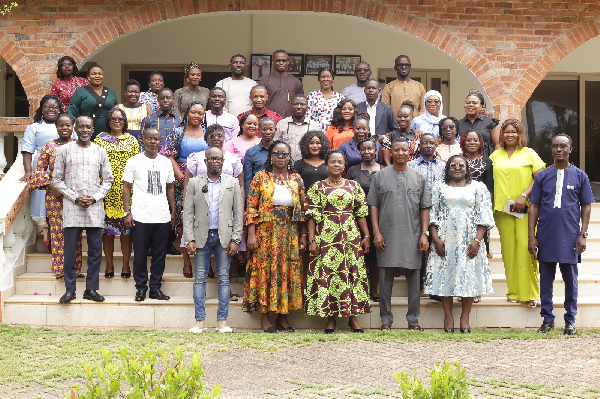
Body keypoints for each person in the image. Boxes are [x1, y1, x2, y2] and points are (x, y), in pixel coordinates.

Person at [529, 134, 594, 335]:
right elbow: (534, 207)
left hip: (570, 237)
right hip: (546, 235)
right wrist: (532, 236)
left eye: (563, 146)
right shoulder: (542, 176)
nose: (559, 149)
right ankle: (547, 320)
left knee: (571, 281)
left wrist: (583, 234)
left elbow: (586, 206)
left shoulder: (580, 176)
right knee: (546, 280)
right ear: (551, 149)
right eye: (556, 146)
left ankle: (570, 321)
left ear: (570, 149)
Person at [425, 155, 495, 333]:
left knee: (469, 275)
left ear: (467, 168)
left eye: (461, 165)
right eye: (453, 165)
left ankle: (465, 317)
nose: (457, 168)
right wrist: (436, 239)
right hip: (444, 239)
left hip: (470, 240)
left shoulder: (478, 187)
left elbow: (484, 215)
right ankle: (448, 316)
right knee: (444, 275)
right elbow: (432, 215)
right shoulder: (438, 187)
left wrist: (478, 240)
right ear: (448, 168)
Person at [368, 138, 432, 331]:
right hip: (386, 235)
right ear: (391, 152)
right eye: (397, 150)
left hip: (413, 235)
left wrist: (424, 233)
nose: (401, 153)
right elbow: (373, 205)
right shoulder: (380, 176)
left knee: (414, 278)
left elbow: (425, 207)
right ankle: (386, 320)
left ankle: (413, 321)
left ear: (409, 152)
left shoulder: (419, 177)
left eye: (404, 150)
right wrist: (376, 233)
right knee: (385, 280)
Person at [305, 150, 371, 333]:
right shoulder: (317, 187)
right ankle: (330, 318)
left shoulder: (354, 186)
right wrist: (312, 240)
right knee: (329, 275)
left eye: (339, 162)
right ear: (327, 165)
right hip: (326, 237)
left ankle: (353, 318)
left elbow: (361, 213)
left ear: (344, 166)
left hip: (350, 238)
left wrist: (366, 236)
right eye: (332, 162)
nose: (336, 165)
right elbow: (310, 215)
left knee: (351, 275)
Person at [244, 141, 306, 333]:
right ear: (270, 156)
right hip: (266, 234)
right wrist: (252, 234)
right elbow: (252, 207)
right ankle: (265, 317)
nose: (281, 156)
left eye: (284, 154)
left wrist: (303, 234)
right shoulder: (260, 177)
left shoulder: (297, 179)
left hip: (290, 235)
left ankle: (283, 318)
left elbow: (303, 209)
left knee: (287, 272)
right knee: (265, 271)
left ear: (289, 157)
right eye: (277, 153)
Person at [53, 116, 114, 304]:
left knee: (95, 252)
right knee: (70, 252)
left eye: (88, 127)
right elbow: (56, 180)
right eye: (81, 127)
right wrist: (75, 197)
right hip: (72, 207)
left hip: (94, 207)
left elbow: (109, 179)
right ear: (75, 129)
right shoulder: (64, 150)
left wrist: (94, 197)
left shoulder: (100, 151)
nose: (85, 130)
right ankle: (70, 290)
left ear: (93, 128)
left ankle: (91, 289)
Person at [185, 147, 244, 333]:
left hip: (224, 237)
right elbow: (188, 212)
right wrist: (188, 239)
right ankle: (200, 321)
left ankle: (222, 321)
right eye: (210, 159)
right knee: (200, 278)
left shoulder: (232, 182)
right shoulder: (195, 182)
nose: (214, 162)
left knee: (224, 279)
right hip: (201, 235)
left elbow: (238, 213)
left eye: (218, 159)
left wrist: (236, 239)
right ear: (205, 161)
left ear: (223, 161)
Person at [490, 118, 545, 308]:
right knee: (508, 251)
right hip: (502, 209)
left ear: (520, 134)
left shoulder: (529, 153)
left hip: (525, 209)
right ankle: (513, 291)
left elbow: (540, 177)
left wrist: (524, 195)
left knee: (525, 247)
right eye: (506, 132)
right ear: (502, 135)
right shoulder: (495, 155)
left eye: (514, 131)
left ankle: (530, 293)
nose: (510, 134)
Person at [122, 128, 175, 302]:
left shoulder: (166, 162)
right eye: (149, 138)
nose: (153, 141)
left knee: (160, 255)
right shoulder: (134, 161)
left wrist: (173, 211)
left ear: (161, 142)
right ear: (143, 140)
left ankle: (155, 288)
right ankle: (140, 288)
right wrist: (127, 212)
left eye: (156, 139)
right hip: (140, 216)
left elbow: (170, 187)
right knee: (140, 254)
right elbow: (126, 187)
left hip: (162, 216)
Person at [29, 114, 83, 279]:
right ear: (56, 127)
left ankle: (76, 270)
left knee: (75, 233)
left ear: (72, 127)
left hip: (75, 197)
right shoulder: (48, 146)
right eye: (61, 125)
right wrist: (52, 186)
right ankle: (60, 270)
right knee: (58, 233)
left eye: (68, 125)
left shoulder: (80, 145)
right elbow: (38, 173)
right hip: (55, 197)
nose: (65, 128)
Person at [164, 101, 210, 278]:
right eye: (193, 112)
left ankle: (203, 261)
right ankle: (186, 260)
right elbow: (169, 155)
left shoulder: (207, 132)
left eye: (200, 113)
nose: (197, 116)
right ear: (187, 113)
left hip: (205, 178)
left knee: (204, 219)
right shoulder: (178, 132)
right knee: (185, 219)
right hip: (182, 178)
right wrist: (181, 177)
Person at [93, 107, 140, 279]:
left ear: (125, 121)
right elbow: (94, 162)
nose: (117, 121)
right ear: (108, 121)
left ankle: (126, 264)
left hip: (128, 190)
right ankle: (110, 264)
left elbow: (137, 164)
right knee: (108, 231)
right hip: (106, 190)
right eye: (114, 118)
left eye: (120, 119)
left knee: (126, 231)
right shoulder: (99, 139)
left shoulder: (132, 140)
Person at [20, 94, 65, 251]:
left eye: (54, 107)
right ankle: (46, 234)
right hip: (42, 167)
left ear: (60, 110)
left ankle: (56, 236)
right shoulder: (34, 127)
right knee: (43, 202)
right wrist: (28, 171)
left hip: (63, 167)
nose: (51, 109)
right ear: (41, 109)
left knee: (59, 201)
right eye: (47, 106)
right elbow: (27, 149)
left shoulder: (65, 125)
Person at [346, 137, 381, 302]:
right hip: (356, 218)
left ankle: (374, 290)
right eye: (363, 149)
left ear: (376, 150)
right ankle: (358, 289)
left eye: (370, 149)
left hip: (379, 219)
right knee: (358, 255)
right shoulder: (352, 171)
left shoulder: (384, 170)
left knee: (375, 256)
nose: (367, 152)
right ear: (359, 152)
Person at [461, 129, 494, 260]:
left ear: (480, 143)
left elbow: (490, 188)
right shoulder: (458, 160)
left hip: (479, 205)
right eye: (468, 140)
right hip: (461, 204)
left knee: (479, 236)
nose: (472, 142)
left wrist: (486, 208)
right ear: (463, 142)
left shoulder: (487, 162)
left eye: (475, 140)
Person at [67, 64, 118, 141]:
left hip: (108, 134)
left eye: (100, 74)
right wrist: (79, 127)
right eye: (94, 74)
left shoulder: (111, 92)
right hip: (85, 134)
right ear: (88, 76)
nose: (97, 76)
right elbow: (72, 111)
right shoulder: (80, 91)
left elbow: (116, 111)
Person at [258, 50, 304, 119]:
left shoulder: (296, 81)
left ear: (288, 62)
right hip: (269, 121)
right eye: (278, 61)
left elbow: (301, 102)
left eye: (284, 60)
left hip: (291, 121)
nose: (281, 63)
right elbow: (259, 103)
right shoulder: (265, 81)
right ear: (273, 62)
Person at [274, 95, 321, 162]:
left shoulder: (314, 126)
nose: (299, 107)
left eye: (302, 104)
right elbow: (275, 146)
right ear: (291, 106)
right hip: (285, 166)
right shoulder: (281, 124)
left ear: (307, 107)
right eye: (295, 104)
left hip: (307, 166)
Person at [457, 92, 500, 157]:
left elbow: (497, 144)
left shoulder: (490, 122)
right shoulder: (458, 124)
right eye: (468, 103)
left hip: (487, 160)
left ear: (480, 106)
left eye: (474, 103)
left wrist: (497, 160)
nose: (470, 105)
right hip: (465, 162)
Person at [380, 100, 421, 165]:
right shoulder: (390, 136)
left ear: (411, 118)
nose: (402, 119)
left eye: (405, 116)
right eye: (399, 116)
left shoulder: (417, 136)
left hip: (413, 172)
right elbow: (386, 161)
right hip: (395, 171)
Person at [243, 117, 276, 199]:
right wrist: (249, 202)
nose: (268, 132)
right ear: (259, 130)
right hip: (259, 196)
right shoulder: (251, 152)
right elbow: (248, 180)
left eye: (271, 129)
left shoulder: (281, 151)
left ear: (275, 130)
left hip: (278, 195)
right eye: (264, 129)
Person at [306, 67, 345, 132]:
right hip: (315, 134)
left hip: (334, 133)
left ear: (333, 79)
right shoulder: (312, 96)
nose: (326, 79)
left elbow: (343, 118)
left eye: (329, 77)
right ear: (319, 79)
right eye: (323, 77)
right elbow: (307, 117)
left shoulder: (340, 97)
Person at [118, 79, 153, 144]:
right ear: (125, 93)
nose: (133, 94)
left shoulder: (146, 108)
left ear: (139, 93)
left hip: (141, 143)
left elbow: (153, 126)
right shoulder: (118, 108)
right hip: (121, 143)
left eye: (136, 92)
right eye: (130, 91)